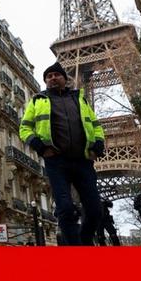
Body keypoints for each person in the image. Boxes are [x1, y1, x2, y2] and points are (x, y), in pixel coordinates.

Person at [19, 62, 105, 246]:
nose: (52, 78)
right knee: (65, 209)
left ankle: (84, 240)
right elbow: (24, 128)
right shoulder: (38, 100)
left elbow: (95, 125)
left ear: (65, 78)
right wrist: (40, 147)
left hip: (83, 160)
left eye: (56, 75)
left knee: (96, 210)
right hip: (57, 162)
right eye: (48, 76)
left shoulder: (80, 99)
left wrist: (98, 145)